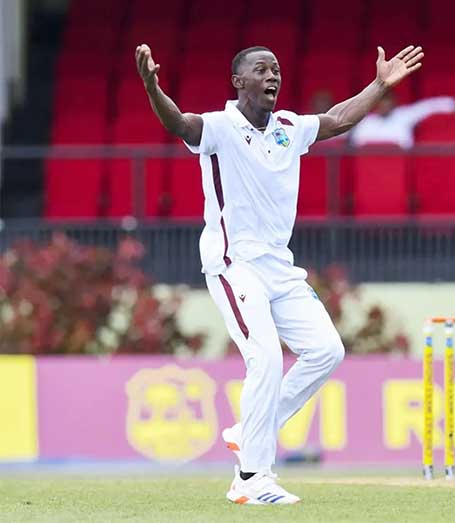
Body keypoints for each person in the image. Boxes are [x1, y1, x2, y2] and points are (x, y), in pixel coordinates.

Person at [135, 42, 423, 505]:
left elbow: (340, 119)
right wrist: (153, 87)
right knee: (265, 357)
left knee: (327, 350)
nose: (273, 76)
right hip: (234, 264)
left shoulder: (289, 126)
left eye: (277, 70)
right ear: (238, 81)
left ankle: (248, 431)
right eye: (261, 69)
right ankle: (250, 480)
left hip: (279, 268)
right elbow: (177, 122)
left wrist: (379, 85)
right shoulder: (219, 127)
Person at [348, 91, 455, 149]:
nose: (385, 105)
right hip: (371, 172)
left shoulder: (404, 115)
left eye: (388, 101)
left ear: (394, 102)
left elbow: (431, 106)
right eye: (381, 101)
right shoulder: (365, 123)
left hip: (400, 170)